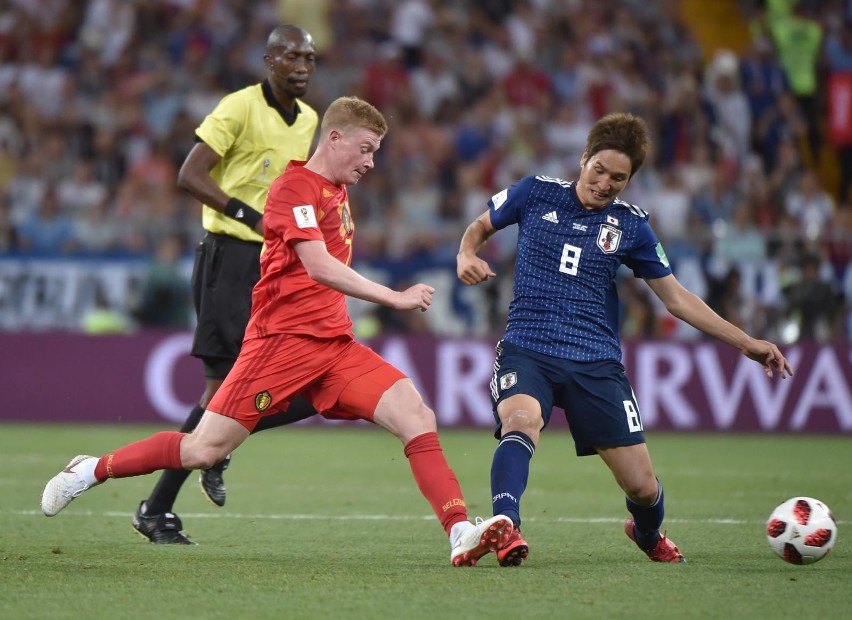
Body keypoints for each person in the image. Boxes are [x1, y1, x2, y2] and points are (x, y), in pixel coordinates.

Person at [41, 96, 513, 567]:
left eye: (376, 152)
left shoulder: (336, 190)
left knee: (417, 416)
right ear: (334, 138)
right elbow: (318, 265)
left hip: (334, 347)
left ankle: (459, 532)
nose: (371, 162)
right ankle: (90, 470)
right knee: (203, 450)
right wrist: (393, 296)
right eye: (365, 149)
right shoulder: (293, 188)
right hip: (279, 345)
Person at [456, 112, 794, 567]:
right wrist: (466, 253)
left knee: (642, 487)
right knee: (520, 421)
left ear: (630, 179)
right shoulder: (534, 192)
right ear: (583, 159)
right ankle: (506, 524)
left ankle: (647, 532)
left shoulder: (631, 227)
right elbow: (478, 226)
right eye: (599, 170)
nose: (605, 183)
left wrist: (746, 341)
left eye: (619, 177)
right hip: (528, 346)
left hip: (595, 362)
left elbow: (676, 299)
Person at [132, 24, 321, 545]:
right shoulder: (238, 107)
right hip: (229, 258)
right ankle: (158, 507)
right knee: (221, 388)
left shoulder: (308, 120)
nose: (302, 66)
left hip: (275, 262)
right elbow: (189, 175)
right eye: (291, 56)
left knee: (303, 386)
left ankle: (221, 444)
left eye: (309, 57)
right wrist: (247, 214)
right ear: (268, 60)